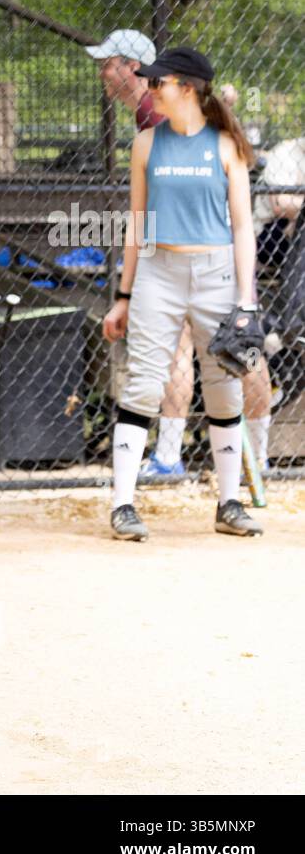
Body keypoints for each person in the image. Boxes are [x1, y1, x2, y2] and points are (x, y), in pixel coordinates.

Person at [102, 48, 264, 540]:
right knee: (144, 384)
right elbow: (137, 225)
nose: (150, 90)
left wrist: (246, 300)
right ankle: (122, 506)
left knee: (223, 385)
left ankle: (229, 504)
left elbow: (241, 228)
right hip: (159, 273)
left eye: (159, 83)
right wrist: (124, 295)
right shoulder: (146, 144)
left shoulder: (225, 146)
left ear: (187, 89)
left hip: (216, 273)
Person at [86, 29, 166, 133]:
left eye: (106, 65)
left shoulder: (153, 112)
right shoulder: (149, 108)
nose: (100, 74)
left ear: (133, 68)